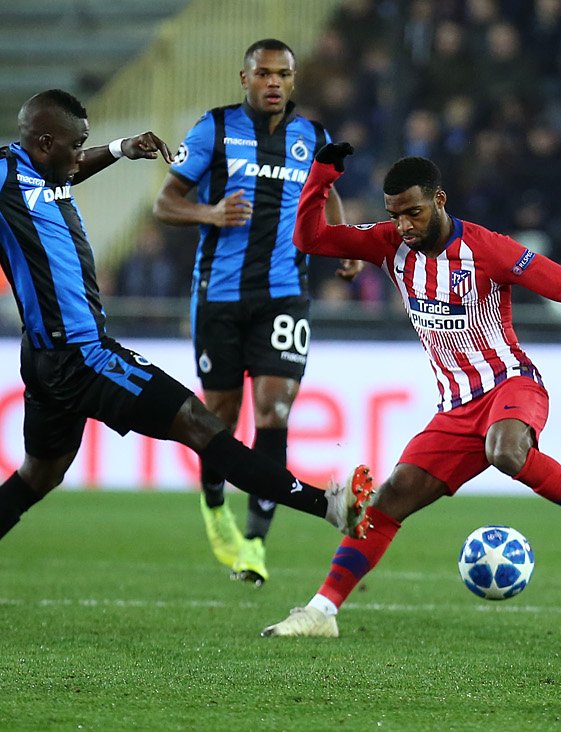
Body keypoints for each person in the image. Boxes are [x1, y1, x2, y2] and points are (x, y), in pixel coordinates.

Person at [0, 89, 375, 624]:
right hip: (83, 356)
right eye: (74, 144)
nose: (79, 156)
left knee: (37, 474)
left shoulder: (49, 169)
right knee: (201, 424)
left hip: (47, 363)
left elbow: (73, 165)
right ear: (44, 143)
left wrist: (120, 149)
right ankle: (325, 506)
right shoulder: (1, 177)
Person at [261, 144, 561, 638]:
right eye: (395, 215)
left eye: (414, 212)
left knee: (506, 451)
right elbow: (311, 237)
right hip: (454, 409)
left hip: (512, 384)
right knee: (389, 501)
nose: (404, 225)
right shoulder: (388, 244)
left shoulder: (488, 249)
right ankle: (322, 612)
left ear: (440, 201)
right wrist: (322, 175)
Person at [152, 38, 361, 586]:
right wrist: (211, 212)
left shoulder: (312, 137)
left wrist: (341, 244)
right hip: (217, 297)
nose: (274, 83)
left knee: (274, 410)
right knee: (217, 417)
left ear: (294, 81)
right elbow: (165, 201)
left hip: (285, 294)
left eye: (283, 74)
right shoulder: (213, 130)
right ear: (243, 79)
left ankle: (255, 541)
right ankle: (215, 505)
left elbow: (327, 192)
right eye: (263, 74)